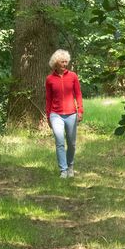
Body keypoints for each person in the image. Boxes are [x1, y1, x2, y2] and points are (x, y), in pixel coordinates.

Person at [45, 49, 83, 178]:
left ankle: (70, 165)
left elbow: (78, 94)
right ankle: (63, 170)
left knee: (71, 143)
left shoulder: (73, 76)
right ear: (56, 63)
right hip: (56, 114)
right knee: (60, 142)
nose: (65, 64)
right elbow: (48, 99)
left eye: (66, 61)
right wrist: (48, 116)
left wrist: (80, 111)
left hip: (71, 114)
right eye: (62, 62)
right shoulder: (49, 79)